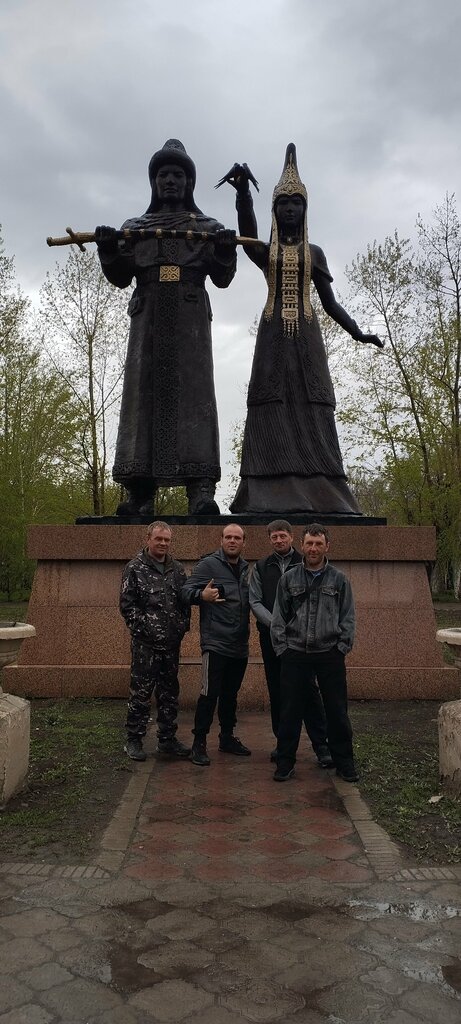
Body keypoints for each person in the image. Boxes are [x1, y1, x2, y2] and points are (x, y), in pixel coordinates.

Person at [221, 145, 383, 514]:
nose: (290, 208)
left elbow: (329, 302)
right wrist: (243, 192)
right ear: (275, 210)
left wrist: (358, 332)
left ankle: (323, 488)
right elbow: (247, 239)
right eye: (283, 203)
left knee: (314, 400)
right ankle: (266, 490)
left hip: (309, 340)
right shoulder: (268, 252)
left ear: (305, 210)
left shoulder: (315, 253)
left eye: (296, 203)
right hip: (272, 337)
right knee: (271, 400)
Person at [95, 138, 237, 516]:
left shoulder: (207, 227)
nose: (170, 181)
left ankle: (200, 489)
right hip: (149, 321)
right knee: (142, 399)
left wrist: (224, 249)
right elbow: (120, 276)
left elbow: (223, 278)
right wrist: (109, 248)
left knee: (195, 399)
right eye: (163, 175)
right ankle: (139, 492)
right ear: (154, 182)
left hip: (189, 321)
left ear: (189, 182)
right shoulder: (136, 228)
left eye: (177, 175)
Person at [271, 523, 359, 783]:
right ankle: (285, 762)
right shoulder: (288, 578)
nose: (313, 548)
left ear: (327, 546)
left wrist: (341, 647)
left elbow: (348, 617)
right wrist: (283, 649)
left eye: (318, 544)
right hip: (295, 652)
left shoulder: (339, 579)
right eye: (309, 543)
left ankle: (344, 762)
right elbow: (278, 616)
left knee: (337, 711)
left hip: (328, 653)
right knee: (290, 711)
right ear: (302, 545)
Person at [250, 518, 333, 768]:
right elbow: (255, 601)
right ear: (269, 539)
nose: (278, 540)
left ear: (291, 537)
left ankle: (321, 745)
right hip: (272, 639)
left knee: (308, 691)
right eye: (274, 537)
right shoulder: (262, 566)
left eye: (282, 536)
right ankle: (282, 743)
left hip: (302, 639)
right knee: (278, 691)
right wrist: (277, 623)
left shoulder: (305, 562)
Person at [120, 521, 191, 762]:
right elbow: (127, 606)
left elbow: (184, 602)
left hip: (171, 644)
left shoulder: (177, 569)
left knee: (169, 692)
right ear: (148, 538)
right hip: (146, 646)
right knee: (141, 693)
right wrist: (145, 629)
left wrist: (181, 628)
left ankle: (167, 740)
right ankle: (134, 740)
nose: (163, 543)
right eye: (158, 539)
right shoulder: (134, 568)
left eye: (167, 540)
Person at [182, 524, 251, 766]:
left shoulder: (246, 568)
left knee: (230, 695)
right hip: (215, 642)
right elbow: (185, 591)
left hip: (240, 644)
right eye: (228, 537)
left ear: (244, 542)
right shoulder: (208, 565)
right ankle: (198, 743)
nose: (232, 541)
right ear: (221, 540)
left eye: (237, 538)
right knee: (209, 694)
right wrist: (201, 596)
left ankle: (227, 737)